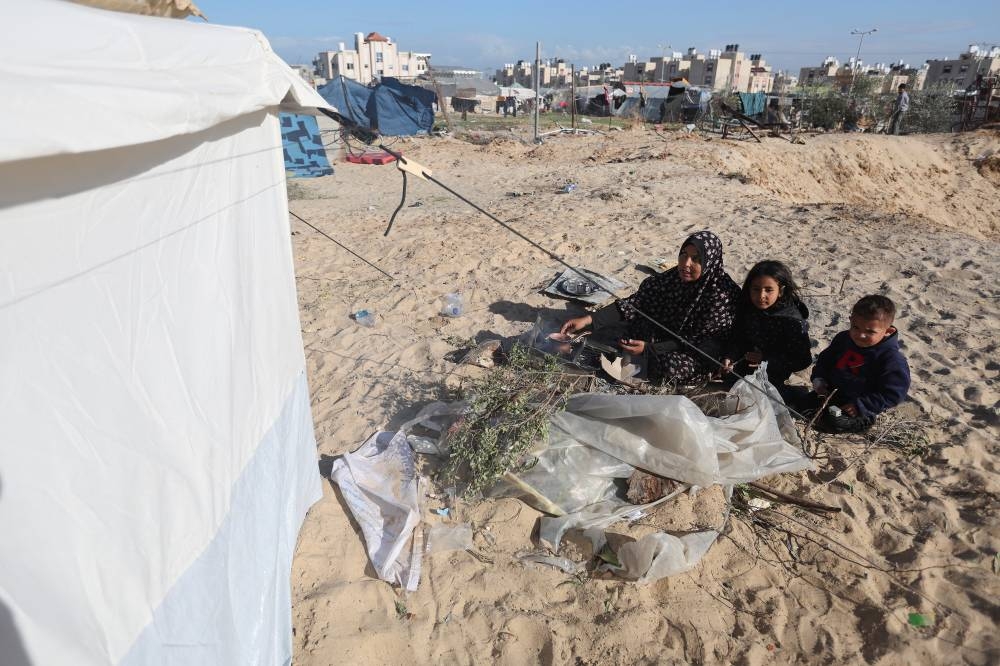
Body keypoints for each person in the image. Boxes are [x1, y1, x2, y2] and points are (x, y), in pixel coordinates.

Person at [560, 230, 740, 384]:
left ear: (709, 263)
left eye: (696, 259)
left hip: (698, 349)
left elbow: (699, 341)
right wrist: (589, 319)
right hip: (667, 335)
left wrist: (650, 349)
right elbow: (636, 303)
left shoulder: (720, 295)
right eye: (683, 255)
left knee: (672, 368)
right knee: (629, 328)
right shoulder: (672, 278)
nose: (686, 264)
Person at [791, 295, 910, 433]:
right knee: (798, 406)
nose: (860, 335)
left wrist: (861, 405)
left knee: (835, 422)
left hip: (858, 408)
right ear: (851, 320)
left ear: (887, 332)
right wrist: (819, 379)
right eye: (856, 327)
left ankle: (858, 423)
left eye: (870, 331)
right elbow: (825, 360)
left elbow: (894, 393)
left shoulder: (891, 359)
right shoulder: (843, 339)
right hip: (830, 395)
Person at [722, 261, 812, 387]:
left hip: (774, 371)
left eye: (768, 290)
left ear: (781, 291)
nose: (761, 296)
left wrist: (765, 359)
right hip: (745, 362)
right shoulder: (748, 308)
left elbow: (803, 360)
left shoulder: (792, 321)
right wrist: (730, 357)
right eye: (756, 289)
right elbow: (738, 335)